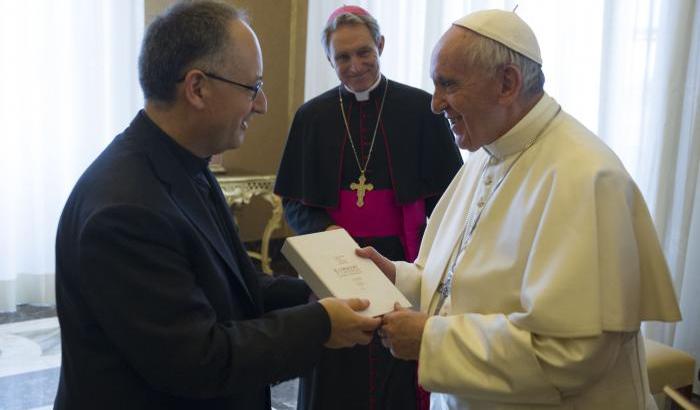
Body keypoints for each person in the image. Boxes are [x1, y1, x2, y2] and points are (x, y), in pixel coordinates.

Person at [53, 2, 381, 409]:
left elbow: (226, 284)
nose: (261, 105)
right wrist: (321, 324)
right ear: (197, 88)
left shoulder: (184, 163)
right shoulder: (125, 211)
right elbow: (198, 360)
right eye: (252, 87)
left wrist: (315, 293)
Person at [358, 9, 682, 409]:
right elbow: (455, 280)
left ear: (507, 83)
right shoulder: (487, 152)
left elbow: (567, 355)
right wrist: (399, 277)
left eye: (448, 85)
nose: (436, 104)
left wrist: (430, 339)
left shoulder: (586, 177)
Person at [274, 5, 463, 410]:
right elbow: (294, 201)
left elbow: (449, 199)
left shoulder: (422, 110)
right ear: (330, 59)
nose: (355, 65)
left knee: (396, 362)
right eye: (343, 57)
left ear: (380, 45)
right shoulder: (312, 117)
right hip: (334, 265)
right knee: (336, 367)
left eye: (364, 52)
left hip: (401, 263)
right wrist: (327, 234)